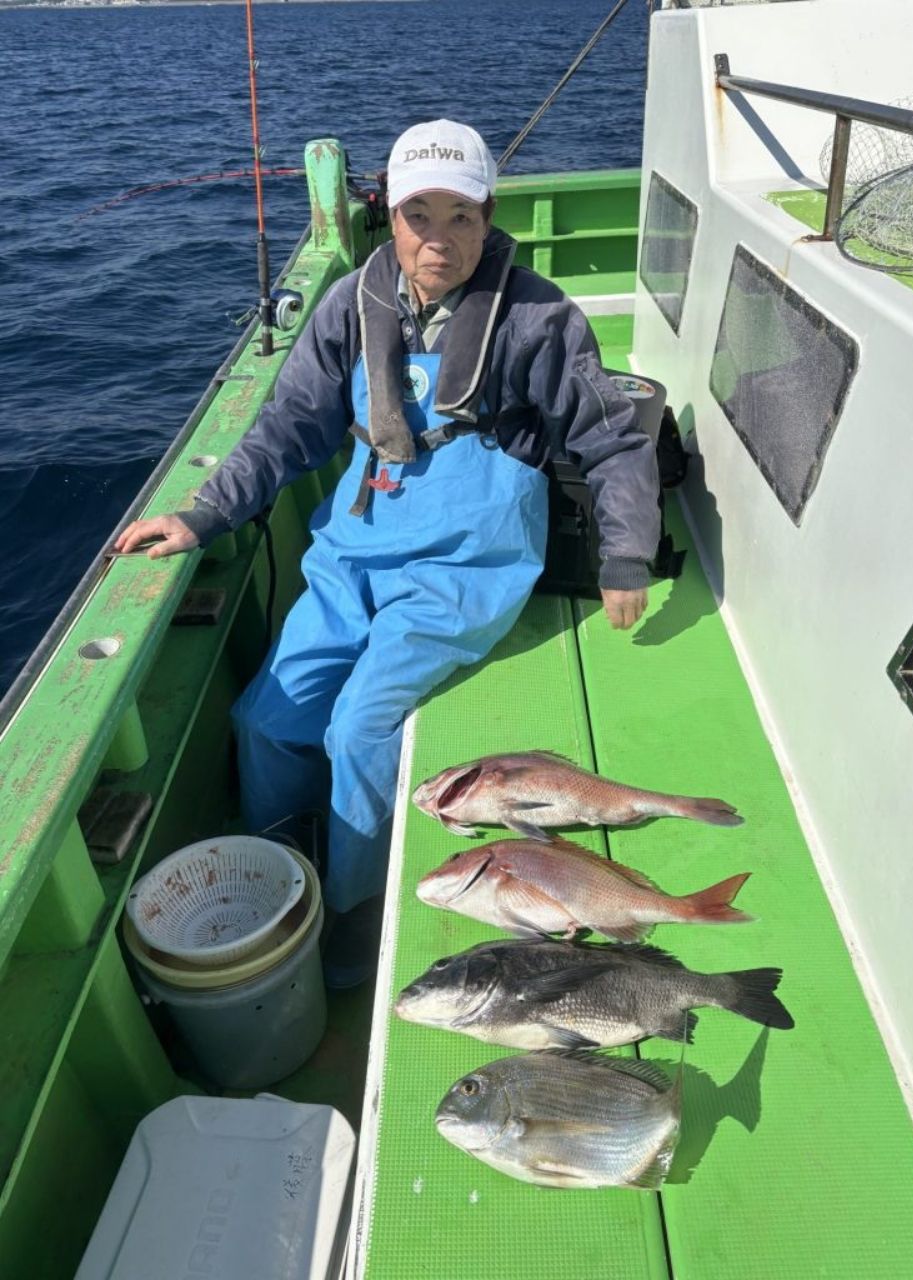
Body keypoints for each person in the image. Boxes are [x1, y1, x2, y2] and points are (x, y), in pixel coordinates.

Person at [115, 119, 660, 986]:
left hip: (465, 564)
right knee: (266, 721)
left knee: (358, 725)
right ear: (388, 217)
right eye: (418, 215)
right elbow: (287, 432)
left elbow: (611, 440)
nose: (437, 239)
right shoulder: (349, 304)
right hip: (356, 545)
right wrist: (201, 516)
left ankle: (350, 917)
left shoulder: (538, 315)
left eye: (460, 217)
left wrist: (626, 553)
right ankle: (285, 862)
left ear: (488, 219)